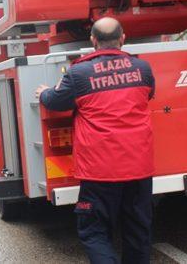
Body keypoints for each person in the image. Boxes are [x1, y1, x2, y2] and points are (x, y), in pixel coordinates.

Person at [36, 18, 155, 264]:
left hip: (100, 171)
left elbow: (55, 101)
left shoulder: (79, 73)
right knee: (138, 232)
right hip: (139, 168)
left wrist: (44, 93)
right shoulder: (142, 68)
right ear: (123, 38)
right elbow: (149, 94)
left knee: (95, 231)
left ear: (92, 41)